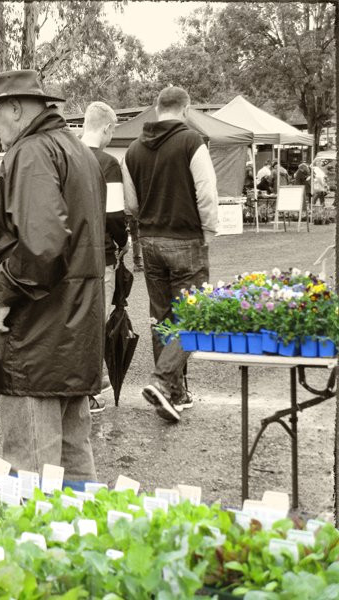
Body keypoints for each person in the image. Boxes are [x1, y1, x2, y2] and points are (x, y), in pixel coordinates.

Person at [0, 69, 105, 482]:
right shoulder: (77, 150)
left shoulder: (32, 151)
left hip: (37, 338)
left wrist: (0, 296)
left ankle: (32, 546)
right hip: (73, 333)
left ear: (16, 108)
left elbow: (44, 244)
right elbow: (66, 232)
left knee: (30, 468)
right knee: (75, 460)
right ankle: (81, 543)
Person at [122, 86, 218, 423]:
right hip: (185, 239)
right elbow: (206, 191)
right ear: (186, 108)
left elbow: (130, 205)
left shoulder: (132, 150)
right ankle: (164, 383)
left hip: (149, 240)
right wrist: (209, 230)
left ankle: (175, 392)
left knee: (161, 317)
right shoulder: (192, 141)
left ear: (156, 108)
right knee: (195, 318)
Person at [81, 101, 129, 414]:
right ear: (107, 128)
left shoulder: (66, 155)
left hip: (69, 253)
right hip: (99, 253)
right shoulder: (108, 163)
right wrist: (123, 241)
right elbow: (113, 215)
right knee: (95, 322)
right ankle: (91, 386)